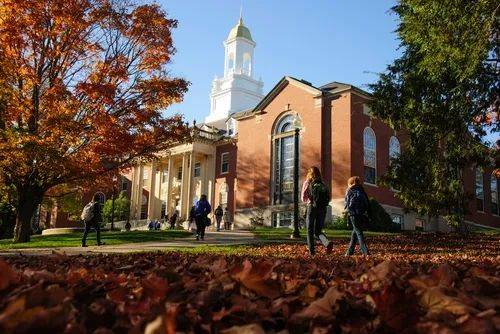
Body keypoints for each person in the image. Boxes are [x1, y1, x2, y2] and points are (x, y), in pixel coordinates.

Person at [301, 166, 333, 256]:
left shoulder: (308, 182)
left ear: (309, 173)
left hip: (311, 207)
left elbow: (303, 198)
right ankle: (327, 242)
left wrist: (310, 199)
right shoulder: (323, 184)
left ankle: (312, 252)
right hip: (323, 208)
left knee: (309, 230)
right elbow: (329, 198)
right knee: (318, 231)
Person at [344, 176, 370, 255]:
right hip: (361, 213)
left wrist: (346, 210)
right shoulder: (362, 190)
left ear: (351, 183)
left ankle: (365, 252)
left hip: (353, 214)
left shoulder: (350, 190)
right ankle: (349, 252)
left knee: (358, 232)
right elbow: (367, 203)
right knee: (355, 232)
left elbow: (347, 202)